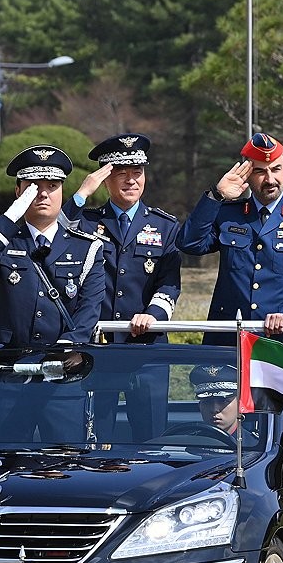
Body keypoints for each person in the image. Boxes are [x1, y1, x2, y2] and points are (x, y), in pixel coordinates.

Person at [176, 133, 283, 365]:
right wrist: (216, 196)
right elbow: (189, 243)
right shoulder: (228, 213)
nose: (270, 179)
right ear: (247, 173)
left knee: (281, 403)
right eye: (260, 171)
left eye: (276, 169)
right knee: (219, 403)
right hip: (229, 343)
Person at [63, 133, 181, 441]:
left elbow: (169, 282)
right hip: (96, 348)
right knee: (95, 437)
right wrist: (80, 196)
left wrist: (154, 314)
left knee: (151, 438)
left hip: (147, 350)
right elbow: (53, 233)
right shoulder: (86, 221)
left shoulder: (165, 226)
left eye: (137, 172)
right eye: (121, 173)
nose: (131, 180)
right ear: (105, 179)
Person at [0, 145, 108, 347]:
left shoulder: (87, 247)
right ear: (18, 192)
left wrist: (67, 346)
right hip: (12, 363)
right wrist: (12, 215)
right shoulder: (5, 242)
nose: (43, 194)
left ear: (61, 191)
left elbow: (89, 307)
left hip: (66, 361)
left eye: (52, 186)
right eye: (33, 186)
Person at [188, 364, 257, 445]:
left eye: (223, 401)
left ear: (240, 405)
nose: (214, 409)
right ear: (200, 406)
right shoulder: (192, 444)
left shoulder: (255, 446)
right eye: (207, 402)